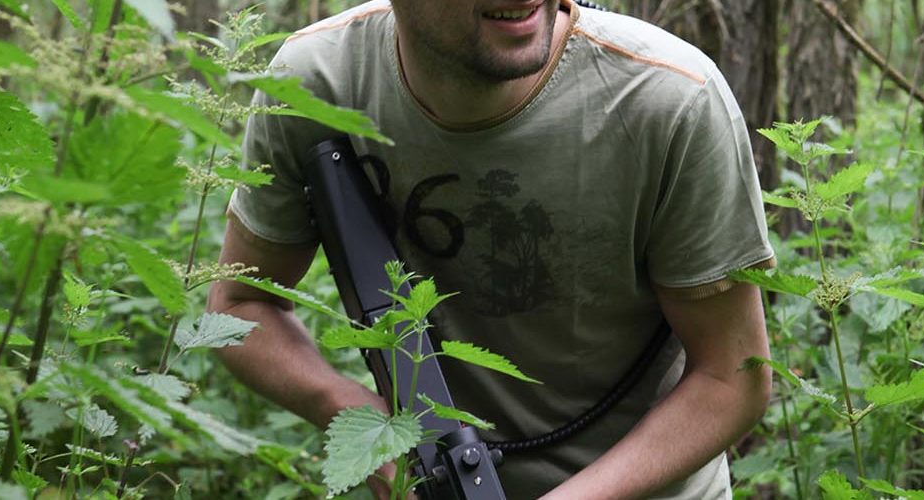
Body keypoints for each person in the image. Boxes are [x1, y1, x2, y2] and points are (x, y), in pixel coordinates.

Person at [208, 0, 775, 498]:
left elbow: (732, 377)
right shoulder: (316, 84)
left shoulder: (669, 99)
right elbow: (239, 304)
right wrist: (370, 428)